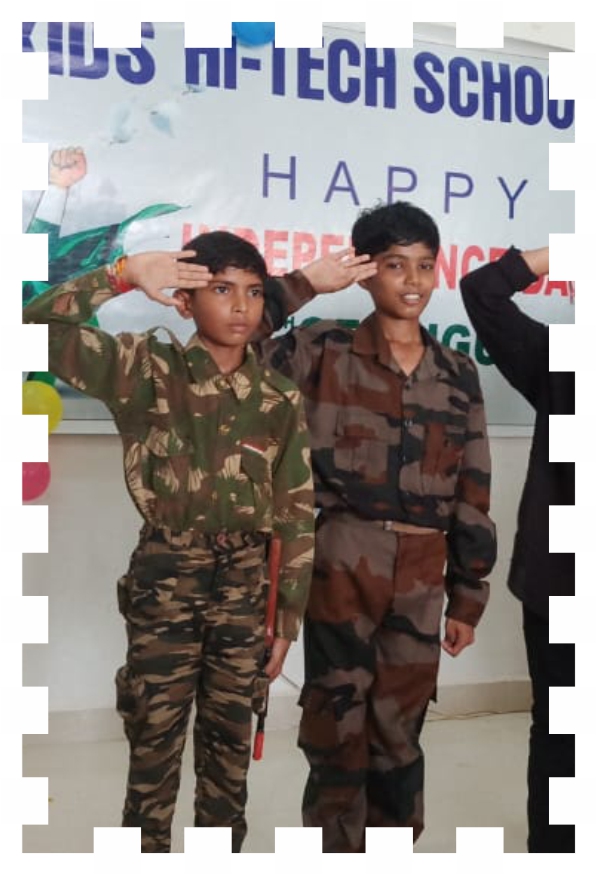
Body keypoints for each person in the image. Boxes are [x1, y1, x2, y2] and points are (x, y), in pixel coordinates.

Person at [23, 230, 322, 853]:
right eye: (221, 289)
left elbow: (295, 512)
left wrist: (286, 619)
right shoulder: (145, 369)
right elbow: (32, 330)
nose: (240, 306)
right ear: (185, 301)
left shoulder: (279, 398)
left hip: (246, 586)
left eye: (253, 292)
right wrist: (123, 273)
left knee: (228, 752)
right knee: (153, 745)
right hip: (167, 578)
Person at [255, 201, 497, 852]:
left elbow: (473, 487)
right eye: (394, 265)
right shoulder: (321, 349)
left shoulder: (456, 373)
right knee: (334, 725)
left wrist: (468, 595)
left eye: (424, 265)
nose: (412, 281)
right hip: (340, 558)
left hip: (422, 573)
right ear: (365, 272)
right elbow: (233, 344)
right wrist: (305, 283)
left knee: (400, 730)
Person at [460, 246, 574, 853]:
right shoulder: (562, 362)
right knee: (562, 733)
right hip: (564, 592)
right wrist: (568, 251)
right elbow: (482, 291)